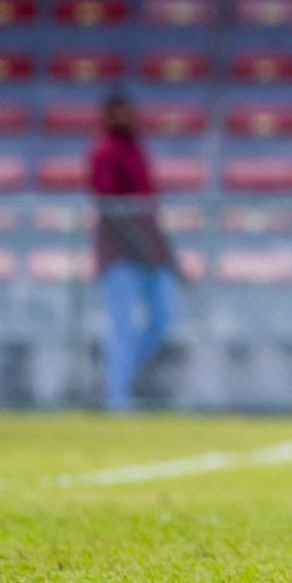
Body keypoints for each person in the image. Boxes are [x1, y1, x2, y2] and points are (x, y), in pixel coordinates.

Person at [89, 91, 179, 411]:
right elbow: (111, 208)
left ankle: (118, 378)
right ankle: (117, 397)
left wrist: (165, 254)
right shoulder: (105, 151)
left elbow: (148, 206)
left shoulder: (136, 147)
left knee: (165, 315)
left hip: (150, 250)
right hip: (120, 254)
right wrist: (139, 246)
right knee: (122, 325)